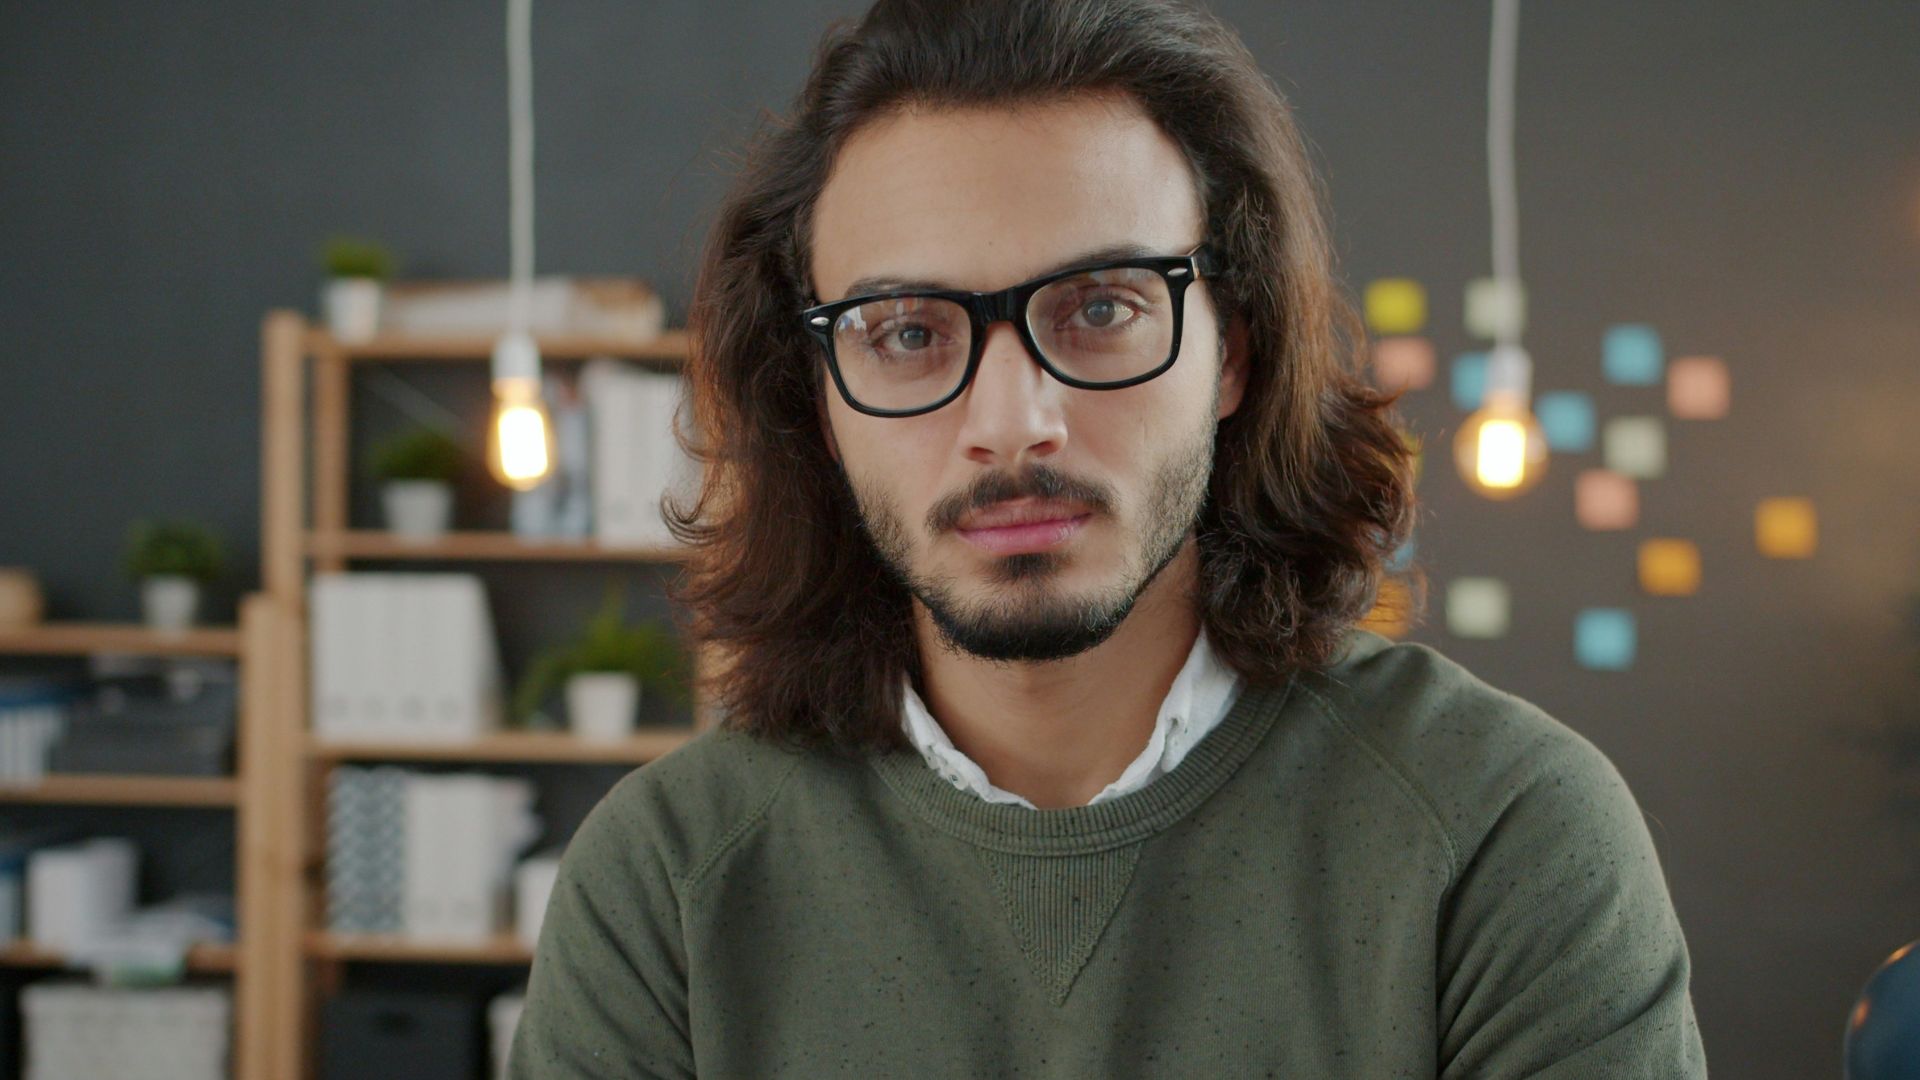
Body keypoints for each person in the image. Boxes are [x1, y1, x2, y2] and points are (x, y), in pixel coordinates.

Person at [509, 0, 1709, 1075]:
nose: (1013, 424)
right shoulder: (667, 883)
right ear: (819, 399)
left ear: (1231, 350)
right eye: (906, 333)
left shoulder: (1504, 833)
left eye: (1100, 309)